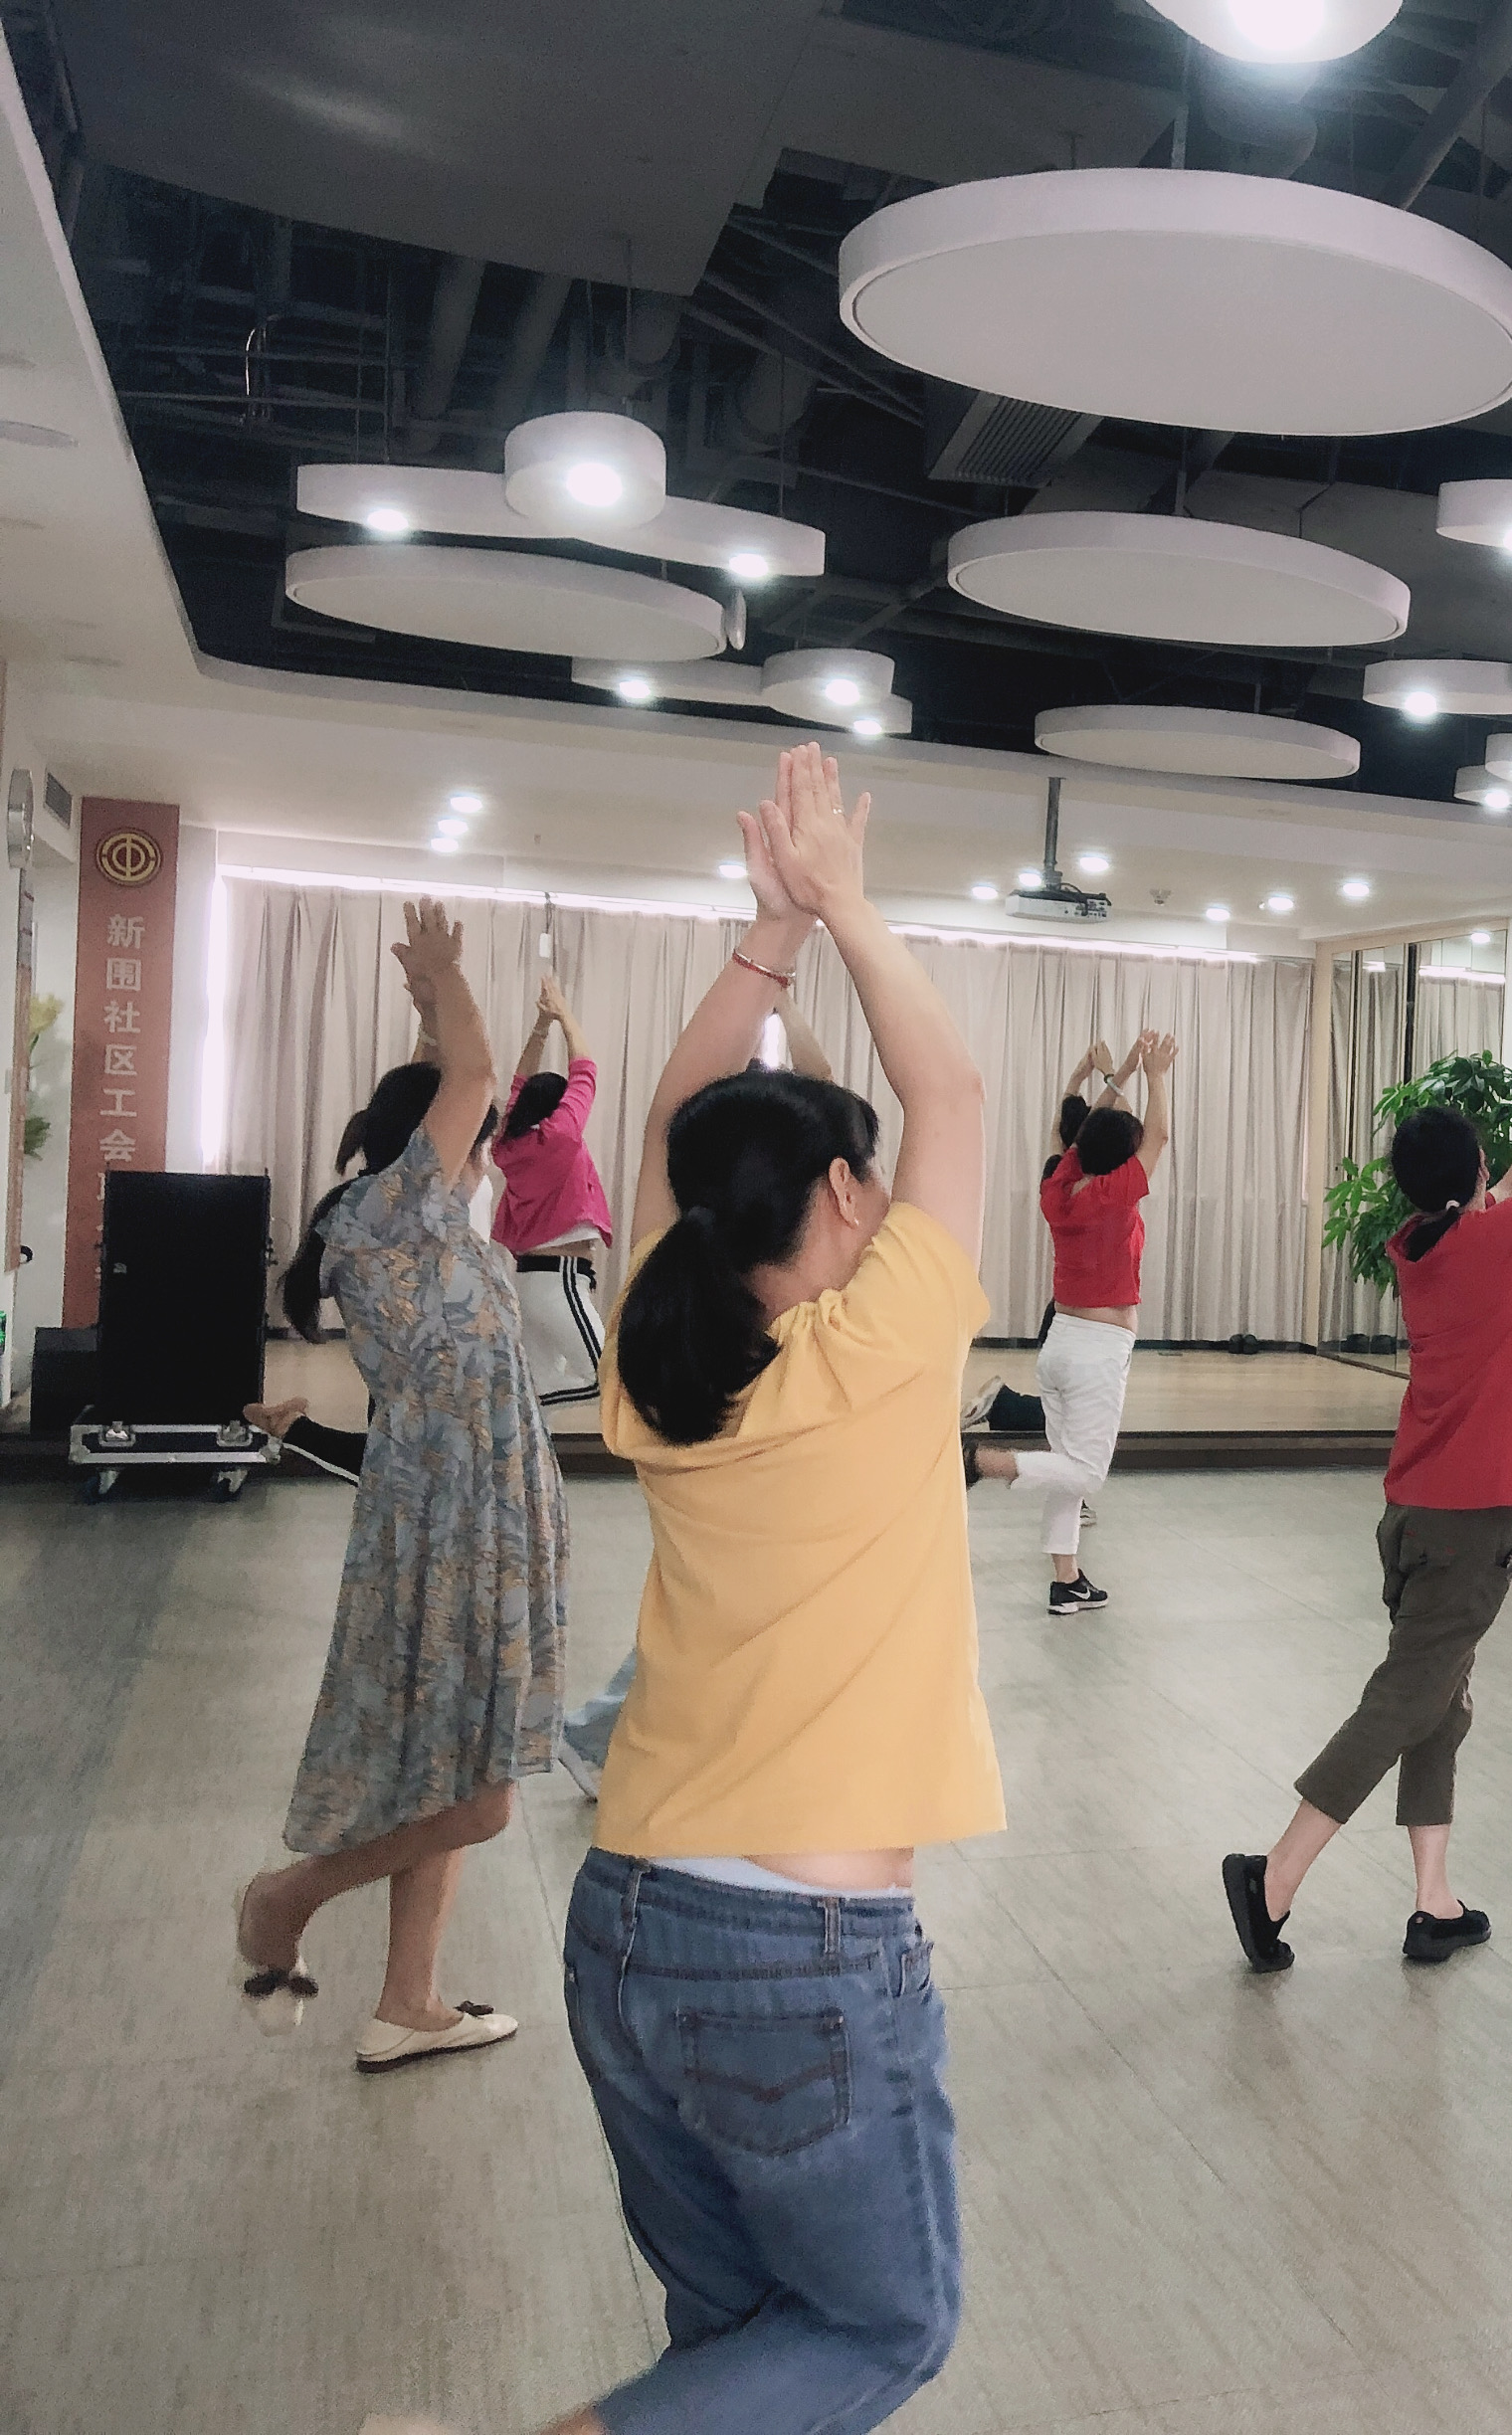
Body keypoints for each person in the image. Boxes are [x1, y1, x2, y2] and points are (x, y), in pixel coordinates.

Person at [482, 743, 996, 2435]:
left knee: (738, 2340)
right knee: (875, 2329)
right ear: (841, 1195)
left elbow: (668, 1126)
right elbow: (954, 1096)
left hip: (627, 1921)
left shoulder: (659, 1372)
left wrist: (776, 934)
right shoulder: (872, 1355)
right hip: (793, 1950)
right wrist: (835, 899)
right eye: (870, 1182)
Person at [1223, 985, 1512, 1973]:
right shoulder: (1495, 1242)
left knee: (1440, 1699)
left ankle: (1433, 1902)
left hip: (1419, 1511)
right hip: (1467, 1521)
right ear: (1470, 1175)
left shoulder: (1429, 1243)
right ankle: (1274, 1878)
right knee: (1404, 1700)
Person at [230, 899, 566, 2074]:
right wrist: (444, 983)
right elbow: (469, 1075)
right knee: (481, 1796)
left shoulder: (410, 1219)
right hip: (453, 1531)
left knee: (449, 1770)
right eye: (470, 1134)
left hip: (462, 1517)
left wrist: (429, 1012)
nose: (483, 1147)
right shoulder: (401, 1212)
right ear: (433, 1143)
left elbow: (454, 1079)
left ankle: (407, 2003)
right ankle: (284, 1901)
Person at [552, 1002, 838, 1800]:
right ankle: (599, 1733)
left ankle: (605, 1734)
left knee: (718, 1601)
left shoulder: (698, 1210)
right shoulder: (756, 1227)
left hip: (751, 1419)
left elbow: (814, 1091)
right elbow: (830, 1091)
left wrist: (775, 999)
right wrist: (784, 1001)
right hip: (760, 1421)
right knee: (728, 1604)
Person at [971, 1029, 1177, 1614]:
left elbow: (1082, 1137)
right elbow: (1159, 1135)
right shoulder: (1114, 1197)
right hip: (1096, 1351)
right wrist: (1154, 1075)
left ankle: (1067, 1579)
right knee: (1084, 1473)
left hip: (1060, 1343)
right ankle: (979, 1462)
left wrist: (1119, 1076)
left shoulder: (1058, 1188)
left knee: (1066, 1467)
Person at [490, 969, 615, 1415]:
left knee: (537, 1382)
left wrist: (541, 1027)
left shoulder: (508, 1144)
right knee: (607, 1379)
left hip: (532, 1280)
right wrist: (563, 1015)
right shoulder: (558, 1138)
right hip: (560, 1279)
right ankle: (505, 1407)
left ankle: (517, 1427)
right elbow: (585, 1072)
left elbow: (518, 1084)